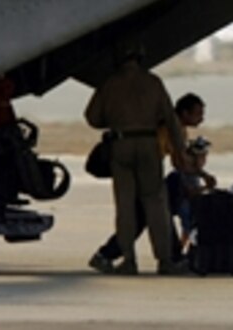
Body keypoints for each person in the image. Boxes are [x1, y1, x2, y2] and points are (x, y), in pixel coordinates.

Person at [84, 42, 188, 276]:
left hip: (121, 145)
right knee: (156, 204)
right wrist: (179, 149)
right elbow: (170, 118)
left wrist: (116, 119)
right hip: (149, 145)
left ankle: (129, 260)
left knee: (126, 206)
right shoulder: (153, 82)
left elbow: (92, 118)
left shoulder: (110, 83)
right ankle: (166, 261)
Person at [88, 92, 214, 273]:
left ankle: (106, 255)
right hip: (141, 173)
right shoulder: (172, 127)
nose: (201, 119)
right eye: (198, 114)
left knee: (144, 218)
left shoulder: (174, 126)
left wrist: (201, 173)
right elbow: (180, 163)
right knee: (159, 213)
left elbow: (178, 160)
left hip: (143, 173)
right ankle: (172, 259)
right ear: (185, 113)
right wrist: (204, 175)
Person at [166, 136, 214, 252]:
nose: (204, 160)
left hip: (183, 202)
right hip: (178, 203)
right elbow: (189, 192)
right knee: (190, 223)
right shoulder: (183, 173)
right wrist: (206, 187)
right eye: (202, 157)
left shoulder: (194, 173)